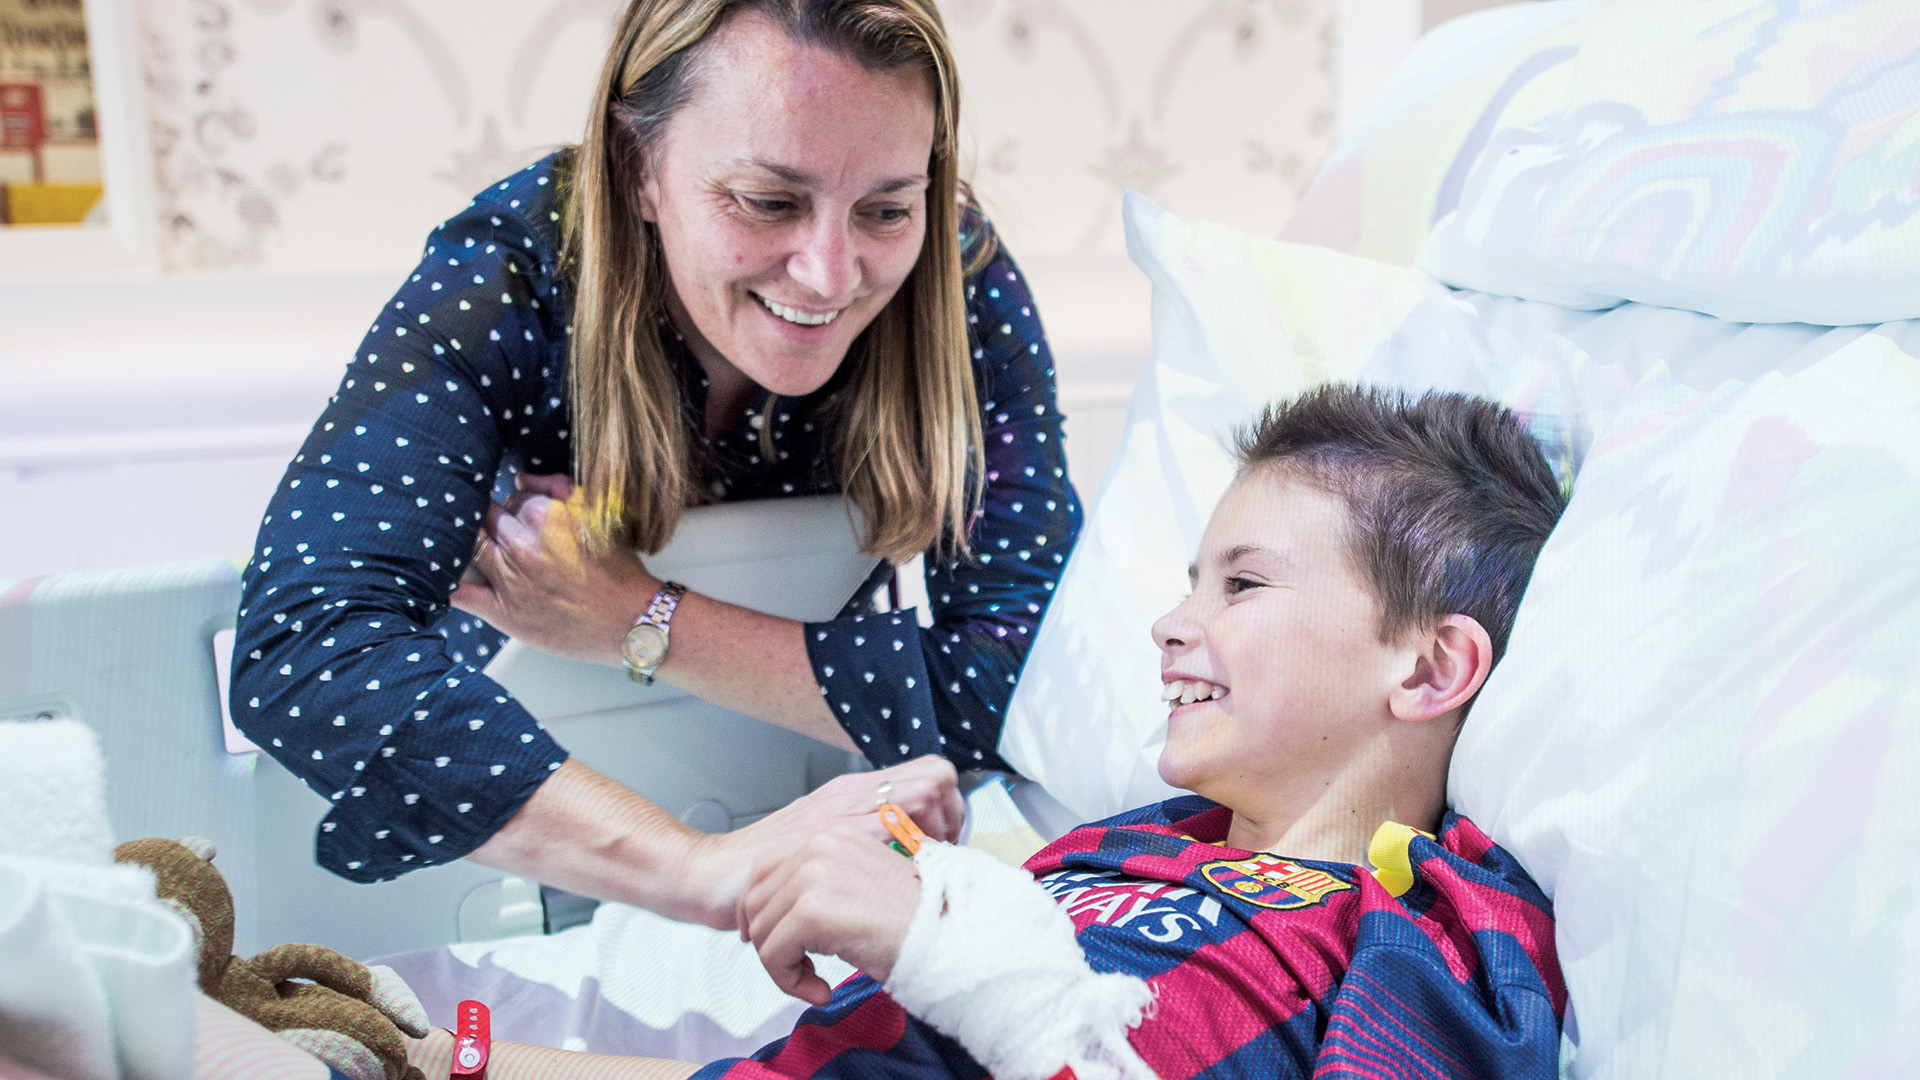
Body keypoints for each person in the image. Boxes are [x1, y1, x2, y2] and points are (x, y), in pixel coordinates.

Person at [398, 384, 1572, 1080]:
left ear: (1431, 667)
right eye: (1190, 583)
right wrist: (433, 1055)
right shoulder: (1119, 852)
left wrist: (955, 955)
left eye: (1243, 585)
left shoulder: (1424, 935)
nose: (1171, 623)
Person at [229, 0, 1079, 926]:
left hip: (820, 814)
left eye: (886, 210)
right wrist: (699, 871)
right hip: (515, 862)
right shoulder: (515, 271)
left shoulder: (956, 277)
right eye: (769, 202)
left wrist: (639, 617)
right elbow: (306, 646)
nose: (831, 273)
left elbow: (1030, 681)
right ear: (637, 165)